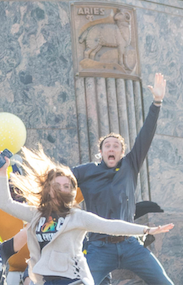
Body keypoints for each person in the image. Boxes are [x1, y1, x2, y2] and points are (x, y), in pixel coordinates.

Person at [0, 149, 174, 285]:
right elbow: (6, 204)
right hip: (46, 279)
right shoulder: (36, 215)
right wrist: (2, 173)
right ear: (48, 189)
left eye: (66, 186)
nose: (62, 189)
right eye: (57, 185)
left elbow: (110, 225)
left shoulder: (76, 217)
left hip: (73, 279)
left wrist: (146, 230)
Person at [72, 73, 171, 285]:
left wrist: (157, 103)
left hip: (130, 244)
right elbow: (58, 180)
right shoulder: (85, 171)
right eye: (107, 145)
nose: (111, 148)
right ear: (100, 151)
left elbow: (146, 135)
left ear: (122, 152)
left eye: (116, 146)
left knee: (164, 282)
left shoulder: (130, 165)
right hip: (99, 247)